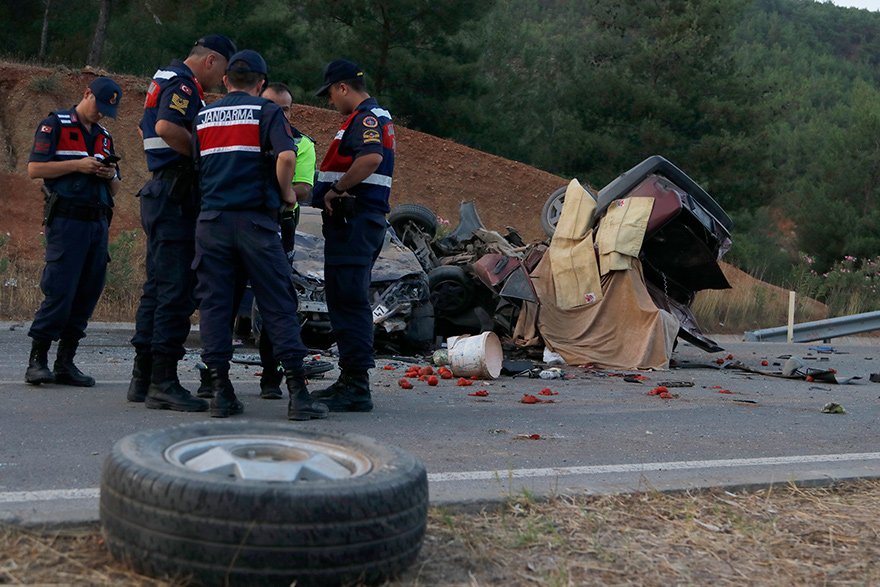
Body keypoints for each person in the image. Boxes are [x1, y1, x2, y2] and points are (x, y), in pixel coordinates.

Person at [192, 49, 328, 421]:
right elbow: (286, 157)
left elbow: (197, 167)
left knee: (216, 306)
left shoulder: (203, 115)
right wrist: (286, 194)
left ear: (225, 80)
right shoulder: (267, 112)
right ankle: (297, 396)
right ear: (261, 83)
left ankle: (221, 391)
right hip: (255, 222)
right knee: (277, 304)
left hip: (212, 222)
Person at [128, 34, 236, 412]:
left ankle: (142, 378)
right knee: (174, 290)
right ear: (211, 61)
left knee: (157, 288)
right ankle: (163, 381)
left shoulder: (167, 77)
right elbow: (167, 128)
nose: (224, 78)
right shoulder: (183, 83)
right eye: (224, 69)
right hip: (176, 196)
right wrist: (206, 157)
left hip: (163, 193)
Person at [309, 59, 396, 412]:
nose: (331, 101)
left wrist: (337, 188)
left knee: (348, 300)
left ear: (343, 87)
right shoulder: (370, 118)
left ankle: (356, 384)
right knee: (346, 298)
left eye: (331, 93)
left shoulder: (367, 118)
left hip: (354, 221)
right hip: (358, 223)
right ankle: (351, 379)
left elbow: (370, 159)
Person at [25, 77, 122, 387]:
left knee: (87, 292)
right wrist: (78, 166)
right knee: (61, 290)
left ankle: (66, 361)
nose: (101, 114)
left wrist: (108, 174)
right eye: (99, 105)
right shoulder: (55, 125)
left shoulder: (105, 137)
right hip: (67, 221)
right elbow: (35, 169)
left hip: (97, 222)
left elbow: (116, 187)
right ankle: (37, 360)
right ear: (86, 94)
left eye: (108, 110)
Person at [253, 81, 317, 399]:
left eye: (285, 109)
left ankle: (271, 376)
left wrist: (279, 191)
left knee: (277, 302)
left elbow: (304, 188)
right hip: (245, 223)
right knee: (225, 296)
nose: (279, 114)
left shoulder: (302, 143)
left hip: (280, 226)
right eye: (272, 107)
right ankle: (213, 376)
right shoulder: (245, 132)